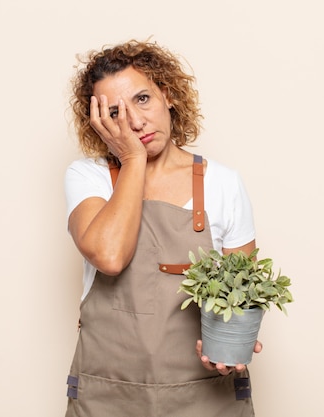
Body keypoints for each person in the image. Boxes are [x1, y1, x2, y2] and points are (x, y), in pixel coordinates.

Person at [63, 39, 262, 417]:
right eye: (116, 112)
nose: (135, 122)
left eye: (142, 99)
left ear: (167, 95)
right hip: (108, 397)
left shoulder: (223, 184)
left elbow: (244, 295)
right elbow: (109, 256)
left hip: (204, 397)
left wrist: (232, 343)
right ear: (100, 122)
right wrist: (132, 157)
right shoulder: (88, 179)